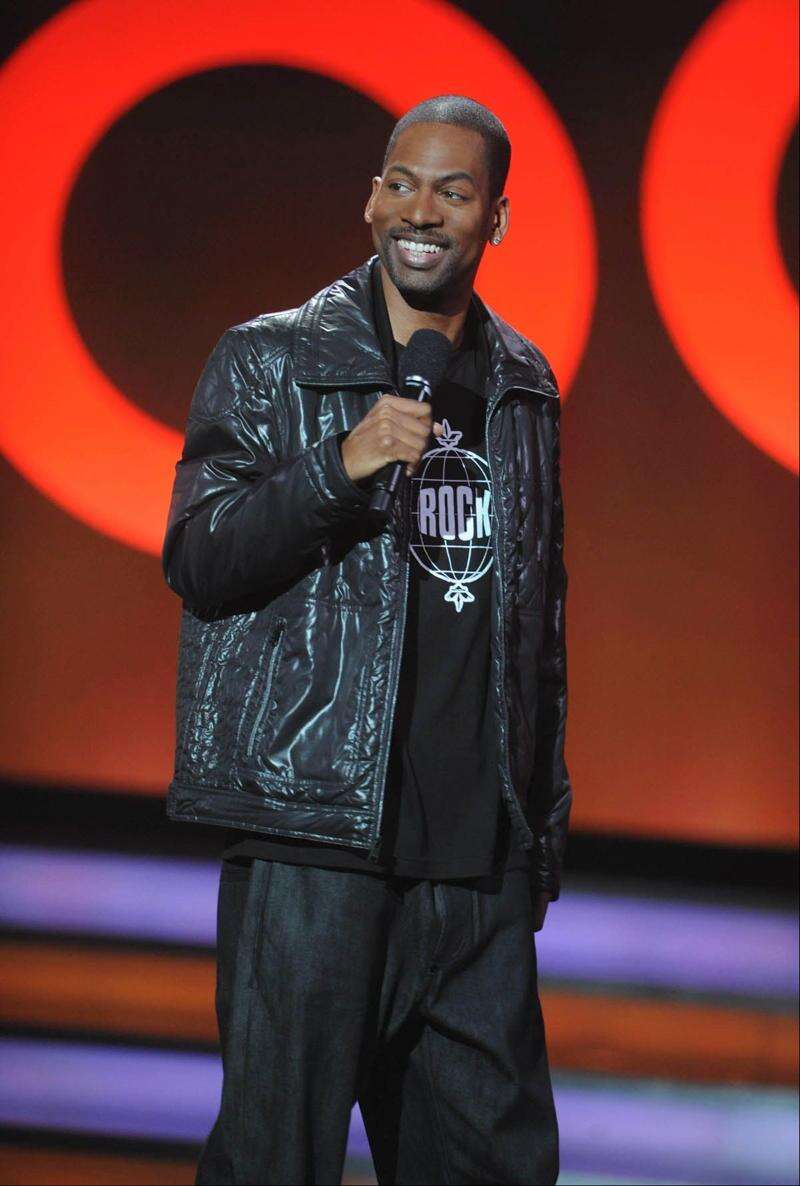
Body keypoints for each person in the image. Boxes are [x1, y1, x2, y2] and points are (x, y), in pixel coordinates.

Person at [162, 93, 572, 1186]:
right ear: (370, 200)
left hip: (474, 873)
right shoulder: (271, 358)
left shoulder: (522, 384)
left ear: (495, 219)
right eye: (401, 183)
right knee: (275, 1163)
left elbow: (536, 622)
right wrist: (335, 469)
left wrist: (534, 836)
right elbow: (199, 557)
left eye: (453, 191)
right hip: (318, 851)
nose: (421, 211)